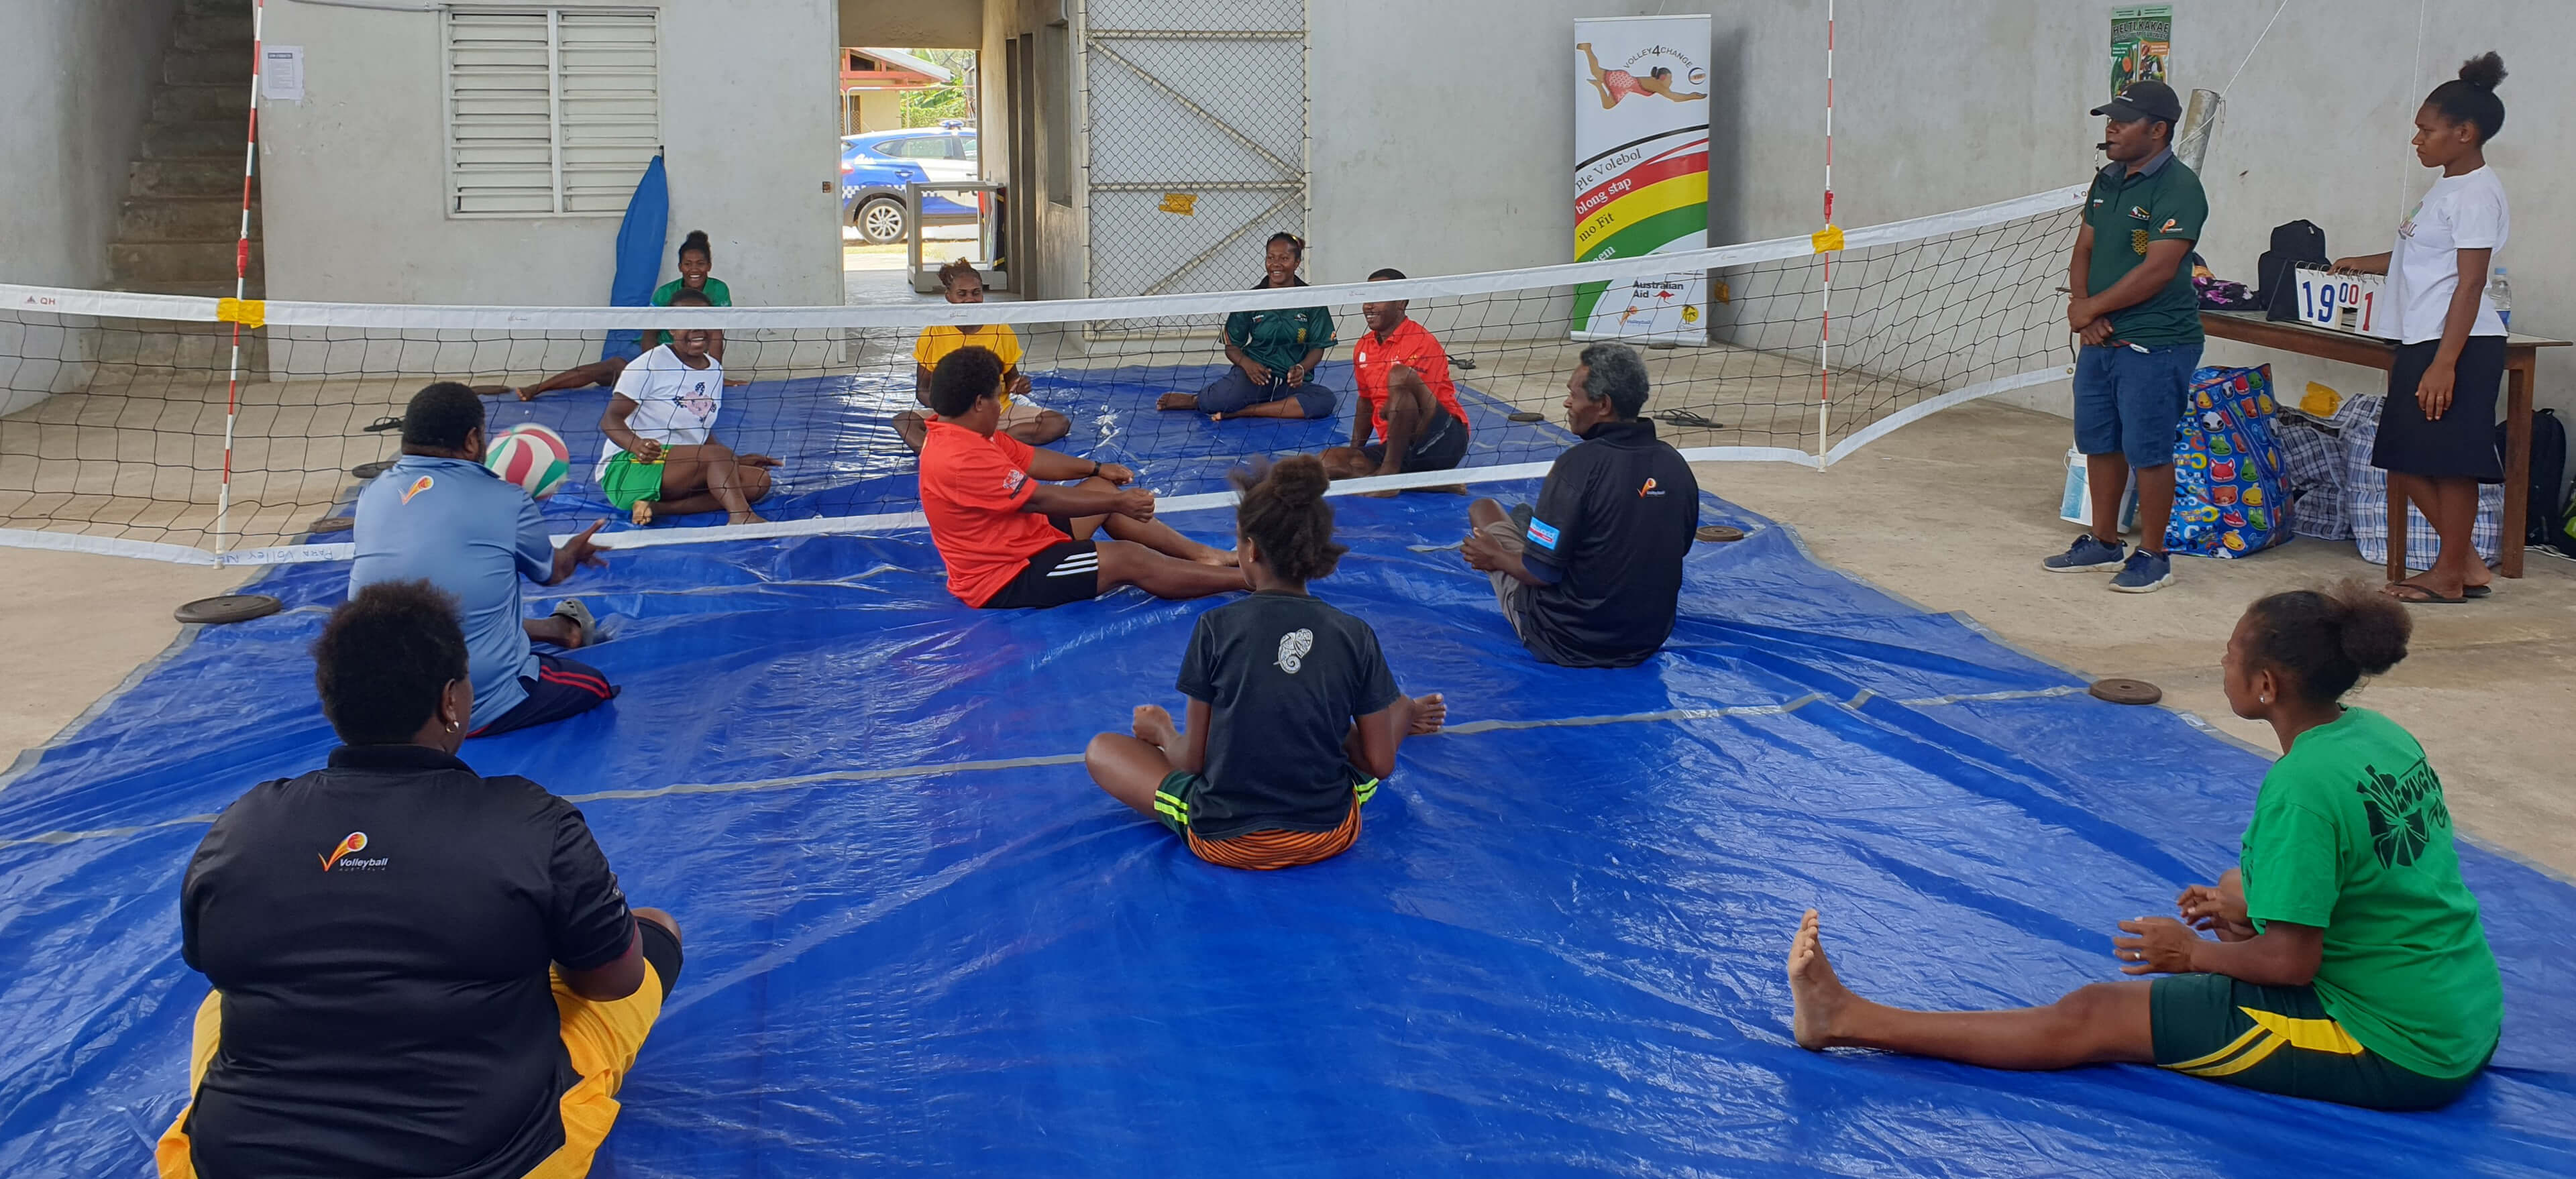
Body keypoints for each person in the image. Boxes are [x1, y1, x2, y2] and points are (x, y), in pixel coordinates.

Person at [1786, 582, 2501, 1111]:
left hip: (2400, 1046)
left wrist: (2191, 954)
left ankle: (1845, 1018)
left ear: (2264, 685)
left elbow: (2291, 961)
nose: (2221, 665)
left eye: (2228, 656)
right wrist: (2239, 913)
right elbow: (2373, 877)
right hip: (2466, 1005)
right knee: (2235, 884)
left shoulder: (2302, 784)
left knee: (2094, 1015)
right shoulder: (2377, 736)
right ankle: (2238, 914)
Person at [155, 581, 685, 1178]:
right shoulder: (533, 823)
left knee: (219, 1006)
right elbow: (613, 981)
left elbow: (216, 963)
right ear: (451, 701)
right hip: (490, 1161)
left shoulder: (240, 828)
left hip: (229, 1165)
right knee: (652, 934)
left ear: (331, 702)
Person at [1083, 456, 1446, 869]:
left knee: (1103, 750)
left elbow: (1192, 762)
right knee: (1383, 712)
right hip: (1329, 832)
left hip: (1225, 838)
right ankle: (1402, 711)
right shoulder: (1354, 633)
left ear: (1251, 549)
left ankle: (1391, 711)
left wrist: (1162, 730)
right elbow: (1379, 765)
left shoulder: (1215, 627)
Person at [2330, 54, 2512, 606]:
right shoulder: (2445, 188)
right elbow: (2422, 257)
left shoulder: (2477, 193)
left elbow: (2471, 282)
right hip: (2421, 339)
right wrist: (2364, 261)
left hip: (2457, 344)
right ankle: (2469, 564)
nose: (2417, 140)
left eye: (2426, 131)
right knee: (2403, 455)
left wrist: (2445, 362)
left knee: (2450, 463)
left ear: (2465, 133)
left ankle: (2450, 575)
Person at [350, 382, 616, 740]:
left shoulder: (372, 493)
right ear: (473, 439)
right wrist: (572, 551)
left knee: (444, 594)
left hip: (376, 705)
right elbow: (553, 573)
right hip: (466, 707)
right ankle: (561, 633)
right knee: (596, 686)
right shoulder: (506, 500)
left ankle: (555, 630)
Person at [920, 345, 1247, 608]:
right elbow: (1039, 498)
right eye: (997, 398)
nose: (1001, 407)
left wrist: (1096, 469)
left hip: (1025, 536)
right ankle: (1252, 581)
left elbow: (1031, 458)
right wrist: (1119, 503)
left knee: (1099, 488)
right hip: (1007, 575)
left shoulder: (963, 430)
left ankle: (1203, 556)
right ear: (979, 403)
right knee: (1128, 558)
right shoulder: (960, 457)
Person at [2045, 79, 2208, 594]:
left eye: (2123, 120)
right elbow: (2083, 250)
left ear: (2157, 131)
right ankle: (2103, 540)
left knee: (2149, 449)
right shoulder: (2108, 180)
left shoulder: (2179, 187)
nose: (2111, 128)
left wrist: (2091, 306)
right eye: (2109, 119)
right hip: (2101, 337)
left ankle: (2155, 556)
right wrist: (2084, 312)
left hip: (2156, 341)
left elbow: (2160, 269)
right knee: (2098, 440)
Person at [1460, 343, 1698, 669]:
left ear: (1603, 405)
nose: (1567, 403)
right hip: (1646, 638)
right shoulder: (1675, 464)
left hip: (1563, 638)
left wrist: (1494, 556)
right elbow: (1678, 547)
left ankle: (1521, 531)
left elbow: (1539, 573)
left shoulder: (1577, 466)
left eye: (1574, 395)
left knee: (1483, 509)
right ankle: (1529, 526)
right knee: (1530, 519)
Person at [598, 288, 780, 526]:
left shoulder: (714, 370)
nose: (696, 328)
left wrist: (734, 460)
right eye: (685, 322)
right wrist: (637, 446)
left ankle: (655, 508)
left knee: (758, 482)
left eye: (703, 320)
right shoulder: (650, 364)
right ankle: (741, 517)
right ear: (671, 330)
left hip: (678, 468)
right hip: (632, 466)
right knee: (720, 460)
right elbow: (610, 420)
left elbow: (700, 426)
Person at [486, 229, 735, 400]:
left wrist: (715, 375)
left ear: (709, 266)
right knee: (613, 367)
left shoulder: (718, 290)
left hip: (690, 359)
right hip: (659, 354)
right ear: (680, 266)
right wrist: (653, 368)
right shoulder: (664, 294)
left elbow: (716, 336)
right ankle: (538, 388)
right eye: (688, 264)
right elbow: (649, 335)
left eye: (700, 263)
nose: (694, 269)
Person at [894, 258, 1070, 452]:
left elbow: (1012, 378)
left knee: (1057, 423)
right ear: (948, 297)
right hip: (953, 416)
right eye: (962, 294)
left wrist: (1018, 384)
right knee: (905, 421)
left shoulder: (1000, 330)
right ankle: (946, 452)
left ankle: (984, 444)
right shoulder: (933, 333)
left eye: (976, 293)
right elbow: (922, 390)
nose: (970, 299)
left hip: (996, 413)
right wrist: (953, 409)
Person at [1156, 233, 1338, 420]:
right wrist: (1247, 365)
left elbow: (1318, 347)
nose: (1276, 264)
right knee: (1218, 401)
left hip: (1291, 384)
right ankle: (1195, 400)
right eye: (1270, 258)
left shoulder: (1313, 299)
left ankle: (1244, 412)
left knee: (1325, 401)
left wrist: (1301, 368)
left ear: (1297, 262)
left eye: (1284, 259)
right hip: (1256, 378)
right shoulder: (1250, 299)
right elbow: (1232, 347)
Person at [1318, 268, 1472, 487]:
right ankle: (1423, 483)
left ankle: (1390, 474)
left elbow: (1425, 411)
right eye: (1366, 299)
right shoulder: (1363, 346)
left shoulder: (1422, 342)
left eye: (1378, 298)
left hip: (1441, 437)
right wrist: (1356, 451)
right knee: (1327, 462)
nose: (1368, 306)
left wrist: (1395, 455)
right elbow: (1365, 403)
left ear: (1401, 303)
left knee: (1400, 378)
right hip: (1396, 447)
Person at [1577, 42, 1706, 109]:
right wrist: (1692, 97)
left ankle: (1599, 85)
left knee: (1607, 104)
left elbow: (1674, 97)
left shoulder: (1658, 85)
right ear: (1662, 78)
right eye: (1670, 79)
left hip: (1625, 84)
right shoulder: (1658, 86)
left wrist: (1692, 97)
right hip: (1624, 82)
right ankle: (1588, 49)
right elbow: (1675, 98)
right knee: (1596, 72)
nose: (1671, 83)